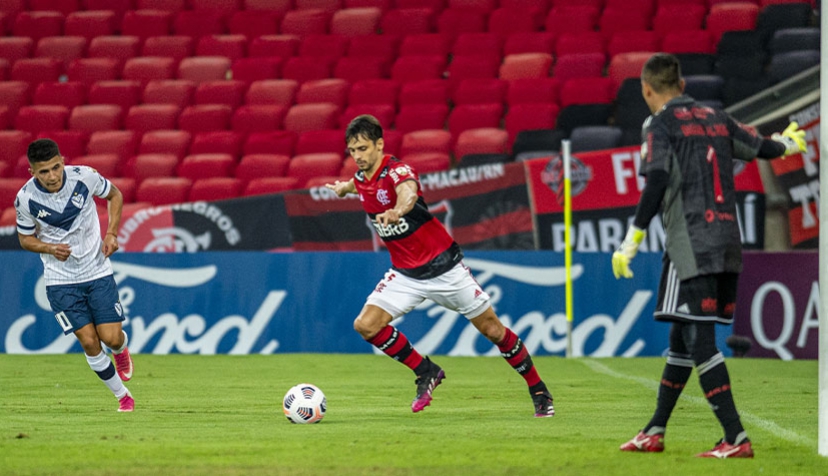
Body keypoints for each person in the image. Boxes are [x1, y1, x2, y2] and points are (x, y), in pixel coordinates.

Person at [612, 53, 806, 458]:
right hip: (727, 242)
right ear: (682, 85)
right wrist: (789, 144)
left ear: (647, 89)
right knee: (682, 336)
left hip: (691, 245)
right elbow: (762, 147)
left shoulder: (659, 123)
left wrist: (632, 238)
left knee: (699, 340)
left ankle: (735, 436)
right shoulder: (717, 117)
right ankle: (655, 430)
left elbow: (658, 177)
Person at [326, 115, 555, 417]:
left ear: (380, 145)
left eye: (363, 148)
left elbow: (408, 192)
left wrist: (397, 210)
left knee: (494, 331)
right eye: (352, 150)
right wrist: (344, 188)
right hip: (405, 274)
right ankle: (426, 371)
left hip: (444, 268)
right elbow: (361, 188)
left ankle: (538, 389)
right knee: (366, 325)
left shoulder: (398, 171)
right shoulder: (361, 179)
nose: (357, 156)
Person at [15, 139, 135, 412]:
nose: (52, 176)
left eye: (56, 167)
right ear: (32, 172)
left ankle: (120, 350)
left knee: (111, 337)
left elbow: (115, 195)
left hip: (96, 269)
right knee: (89, 341)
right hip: (61, 280)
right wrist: (48, 248)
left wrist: (112, 233)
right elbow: (24, 238)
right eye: (43, 172)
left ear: (63, 160)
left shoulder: (85, 177)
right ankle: (123, 397)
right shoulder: (25, 199)